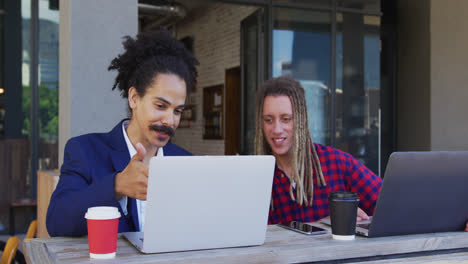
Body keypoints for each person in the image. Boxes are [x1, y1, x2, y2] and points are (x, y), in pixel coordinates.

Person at [46, 30, 199, 237]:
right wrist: (117, 185)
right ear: (134, 98)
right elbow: (57, 222)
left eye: (178, 111)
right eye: (161, 106)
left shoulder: (185, 162)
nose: (170, 121)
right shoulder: (85, 151)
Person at [254, 76, 381, 225]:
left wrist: (359, 222)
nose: (276, 129)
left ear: (303, 119)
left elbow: (391, 204)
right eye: (268, 120)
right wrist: (323, 224)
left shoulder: (337, 164)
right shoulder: (254, 177)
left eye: (286, 119)